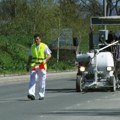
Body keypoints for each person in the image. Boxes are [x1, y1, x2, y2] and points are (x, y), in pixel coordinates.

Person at [26, 34, 52, 100]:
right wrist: (28, 65)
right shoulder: (32, 46)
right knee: (32, 79)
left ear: (40, 39)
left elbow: (49, 55)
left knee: (42, 80)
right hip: (34, 66)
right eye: (35, 39)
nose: (36, 40)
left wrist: (45, 60)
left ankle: (41, 95)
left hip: (41, 66)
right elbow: (30, 56)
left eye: (37, 39)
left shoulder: (44, 46)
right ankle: (31, 94)